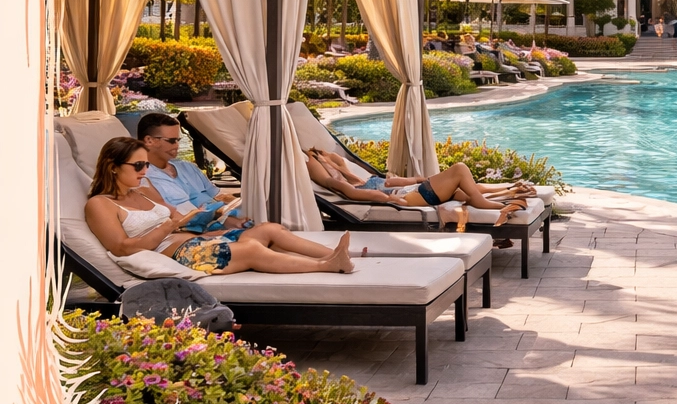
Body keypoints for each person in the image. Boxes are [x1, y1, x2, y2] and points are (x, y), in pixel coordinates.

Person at [85, 137, 353, 275]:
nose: (145, 170)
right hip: (178, 255)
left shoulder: (143, 192)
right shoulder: (100, 204)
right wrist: (169, 226)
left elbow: (179, 218)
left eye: (146, 164)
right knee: (251, 249)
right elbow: (121, 248)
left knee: (269, 230)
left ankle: (333, 254)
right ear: (112, 167)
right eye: (139, 165)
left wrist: (208, 227)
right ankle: (326, 265)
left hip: (193, 240)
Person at [305, 148, 533, 225]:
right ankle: (497, 205)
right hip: (411, 198)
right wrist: (391, 199)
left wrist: (324, 155)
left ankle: (504, 201)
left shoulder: (362, 178)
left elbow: (335, 158)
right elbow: (330, 180)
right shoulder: (344, 186)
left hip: (416, 191)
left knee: (464, 190)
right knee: (460, 169)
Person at [136, 112, 243, 229]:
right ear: (149, 140)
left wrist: (243, 207)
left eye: (178, 140)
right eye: (171, 141)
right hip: (196, 230)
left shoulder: (188, 167)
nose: (177, 146)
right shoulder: (143, 178)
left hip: (226, 219)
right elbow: (177, 219)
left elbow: (219, 196)